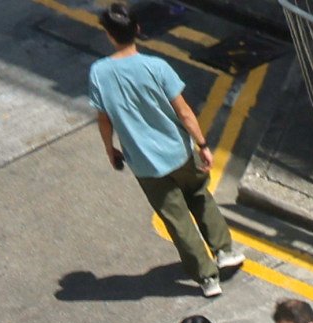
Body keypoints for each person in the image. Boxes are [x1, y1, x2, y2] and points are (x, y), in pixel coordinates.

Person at [89, 8, 232, 296]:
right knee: (199, 195)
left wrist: (110, 150)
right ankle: (224, 250)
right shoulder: (157, 67)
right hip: (179, 151)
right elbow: (185, 113)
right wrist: (203, 145)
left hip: (145, 164)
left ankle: (207, 278)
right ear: (138, 29)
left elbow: (104, 119)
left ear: (109, 35)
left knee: (177, 221)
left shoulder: (99, 73)